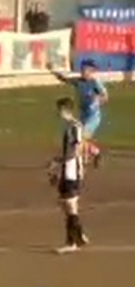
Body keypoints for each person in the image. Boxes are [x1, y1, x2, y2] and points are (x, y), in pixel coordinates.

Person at [50, 97, 90, 253]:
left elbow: (76, 149)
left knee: (69, 204)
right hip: (68, 169)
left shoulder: (74, 127)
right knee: (65, 203)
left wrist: (58, 162)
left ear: (64, 110)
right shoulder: (71, 126)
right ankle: (78, 235)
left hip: (71, 170)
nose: (57, 113)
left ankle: (72, 242)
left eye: (58, 109)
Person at [52, 60, 106, 167]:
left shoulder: (95, 83)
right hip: (83, 114)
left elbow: (105, 96)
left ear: (91, 71)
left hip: (93, 116)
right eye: (82, 69)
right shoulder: (78, 81)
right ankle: (96, 153)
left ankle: (75, 159)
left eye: (85, 70)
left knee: (82, 137)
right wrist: (53, 71)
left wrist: (97, 101)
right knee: (80, 137)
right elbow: (65, 79)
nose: (82, 72)